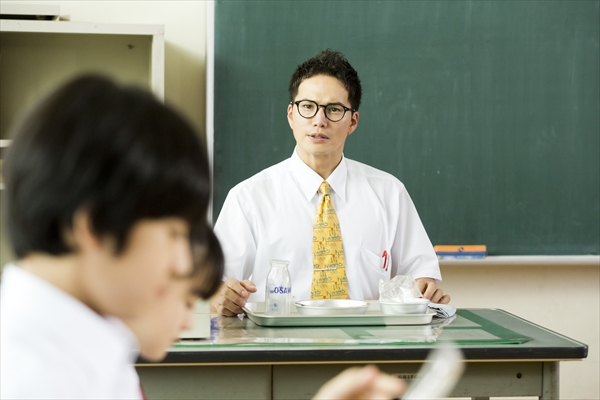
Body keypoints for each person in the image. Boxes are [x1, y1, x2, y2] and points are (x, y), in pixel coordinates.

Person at [0, 75, 211, 399]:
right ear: (95, 227)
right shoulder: (30, 379)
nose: (183, 261)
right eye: (174, 233)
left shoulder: (91, 340)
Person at [212, 49, 450, 317]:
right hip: (280, 349)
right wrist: (221, 295)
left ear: (353, 121)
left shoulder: (389, 193)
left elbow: (421, 276)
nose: (319, 120)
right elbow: (215, 286)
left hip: (369, 346)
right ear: (291, 114)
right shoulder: (249, 198)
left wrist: (423, 288)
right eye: (308, 107)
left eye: (334, 109)